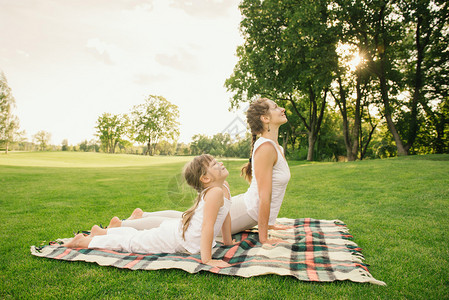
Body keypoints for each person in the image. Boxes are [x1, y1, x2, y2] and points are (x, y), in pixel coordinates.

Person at [110, 98, 291, 244]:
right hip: (247, 211)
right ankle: (122, 225)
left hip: (247, 207)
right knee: (184, 225)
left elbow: (269, 191)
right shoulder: (266, 148)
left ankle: (142, 216)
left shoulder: (276, 148)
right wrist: (264, 237)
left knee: (188, 218)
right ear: (265, 119)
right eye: (275, 107)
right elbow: (264, 195)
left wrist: (269, 224)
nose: (281, 109)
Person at [64, 154, 234, 268]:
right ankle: (84, 241)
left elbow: (225, 215)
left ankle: (103, 233)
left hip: (182, 235)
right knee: (132, 243)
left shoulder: (223, 187)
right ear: (205, 178)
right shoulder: (216, 192)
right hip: (176, 239)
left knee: (138, 238)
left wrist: (227, 242)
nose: (220, 163)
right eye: (214, 164)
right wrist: (208, 260)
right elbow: (207, 226)